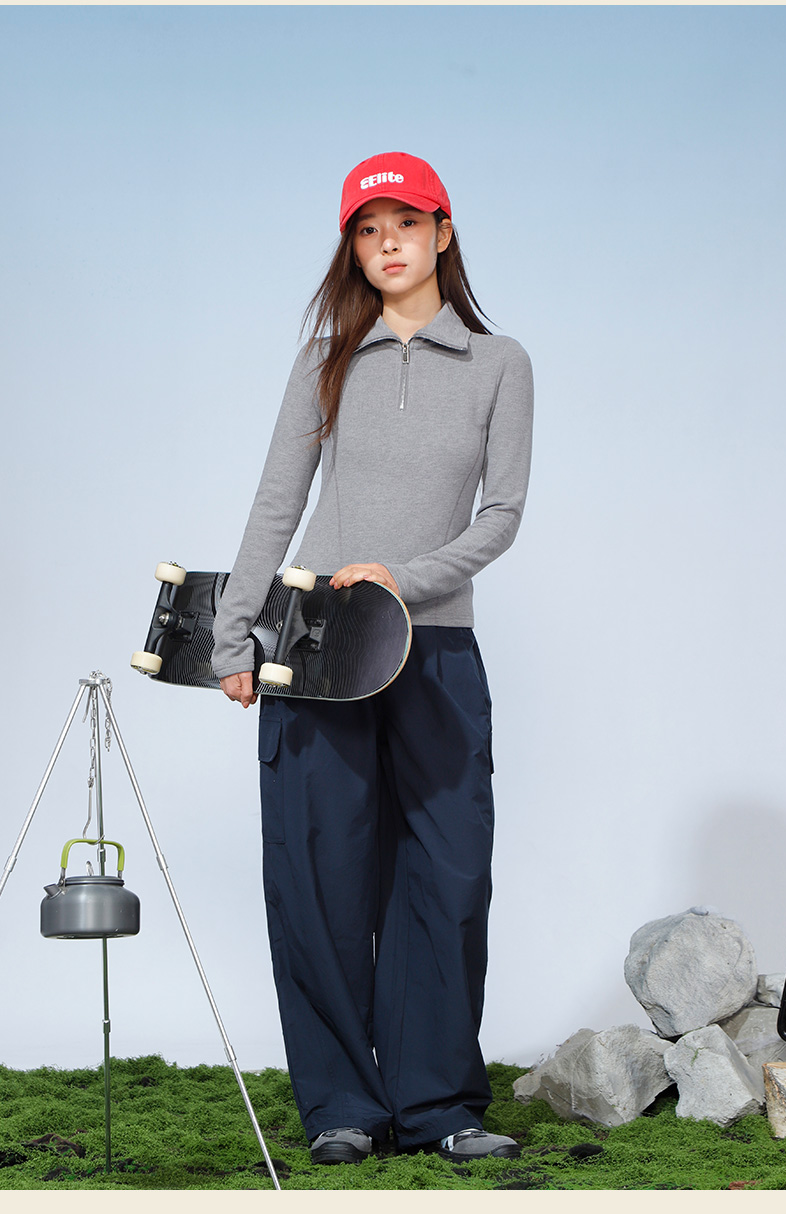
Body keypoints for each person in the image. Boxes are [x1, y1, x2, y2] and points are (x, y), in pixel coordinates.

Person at [212, 152, 534, 1165]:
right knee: (321, 874)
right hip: (317, 649)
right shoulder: (327, 359)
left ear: (444, 233)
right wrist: (233, 632)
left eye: (407, 222)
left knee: (448, 873)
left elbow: (502, 515)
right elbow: (277, 501)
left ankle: (440, 1105)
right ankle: (343, 1106)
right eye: (367, 228)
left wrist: (402, 576)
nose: (387, 243)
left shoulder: (498, 363)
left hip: (435, 650)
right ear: (353, 246)